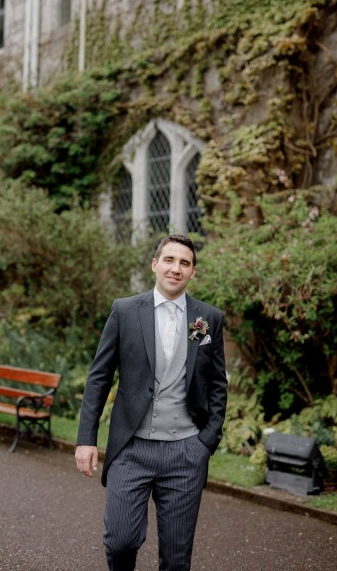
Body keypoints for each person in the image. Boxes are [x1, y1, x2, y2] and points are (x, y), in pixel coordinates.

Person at [75, 234, 228, 571]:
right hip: (131, 448)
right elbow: (99, 377)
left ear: (193, 272)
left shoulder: (208, 318)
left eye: (184, 263)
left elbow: (218, 385)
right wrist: (87, 439)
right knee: (120, 542)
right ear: (155, 264)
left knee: (176, 558)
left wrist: (206, 442)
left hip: (186, 452)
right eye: (169, 260)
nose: (176, 268)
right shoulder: (125, 311)